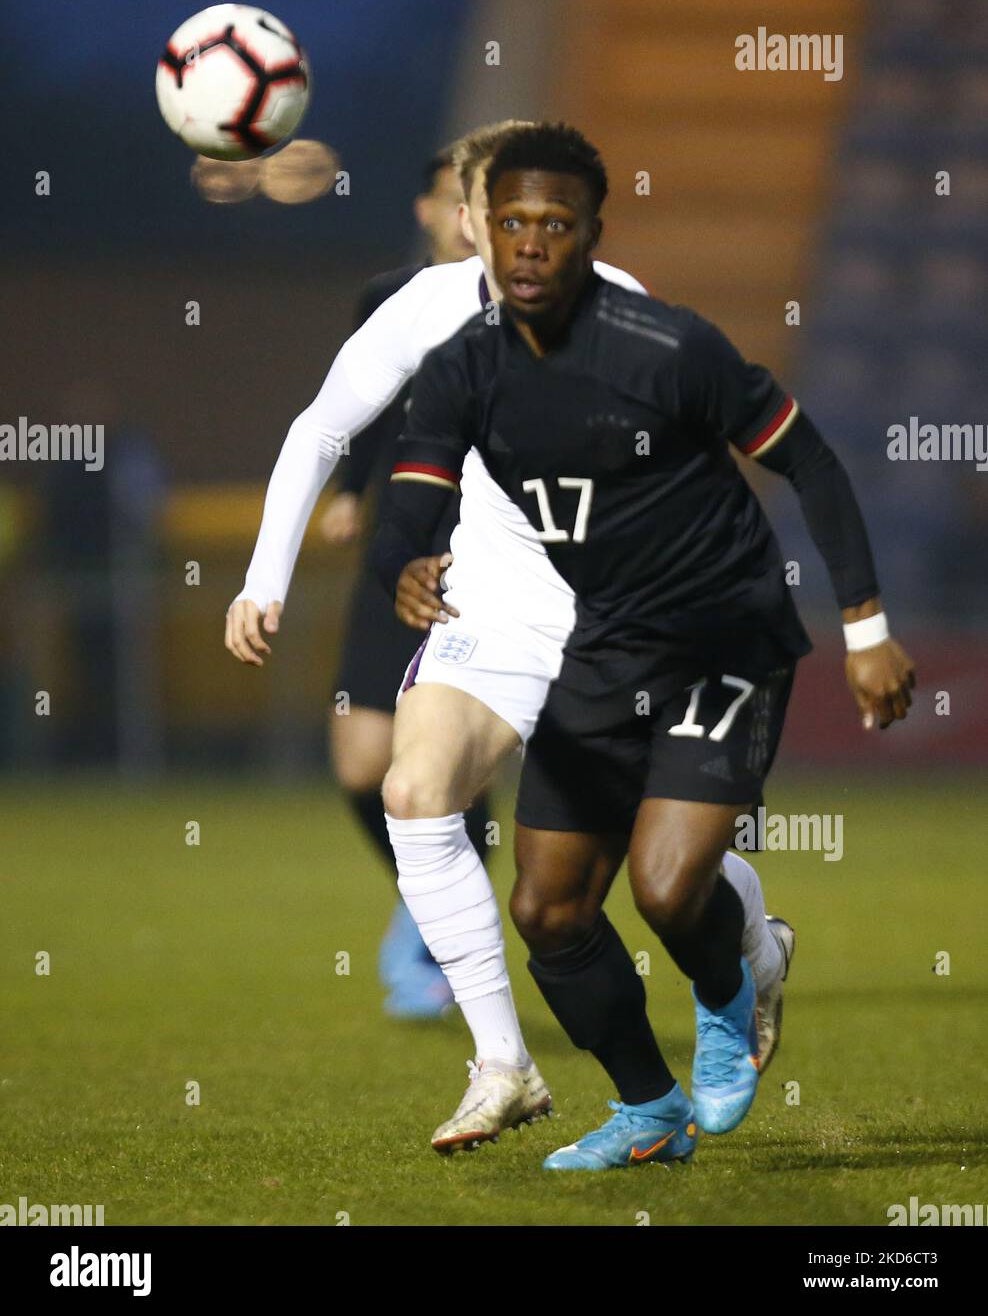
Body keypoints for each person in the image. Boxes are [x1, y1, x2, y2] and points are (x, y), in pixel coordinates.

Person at [225, 120, 791, 1155]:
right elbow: (324, 429)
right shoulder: (430, 309)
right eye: (479, 211)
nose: (493, 230)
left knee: (651, 868)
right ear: (468, 220)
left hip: (612, 621)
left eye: (516, 212)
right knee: (411, 789)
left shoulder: (617, 309)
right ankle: (502, 1063)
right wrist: (263, 579)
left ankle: (751, 943)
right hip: (489, 612)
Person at [372, 122, 915, 1171]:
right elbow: (411, 496)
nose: (531, 244)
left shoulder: (667, 348)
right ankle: (646, 1107)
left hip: (724, 637)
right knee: (547, 907)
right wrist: (403, 558)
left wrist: (866, 629)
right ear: (480, 229)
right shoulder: (463, 371)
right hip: (606, 644)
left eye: (556, 225)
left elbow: (810, 461)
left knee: (665, 887)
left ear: (592, 237)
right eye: (513, 222)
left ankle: (728, 998)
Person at [318, 148, 482, 1019]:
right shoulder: (389, 298)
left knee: (456, 765)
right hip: (398, 545)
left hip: (484, 558)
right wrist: (348, 493)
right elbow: (364, 407)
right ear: (427, 208)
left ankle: (449, 934)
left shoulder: (519, 307)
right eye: (457, 198)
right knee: (358, 758)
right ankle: (430, 896)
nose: (469, 215)